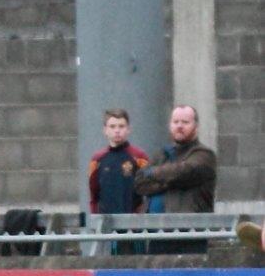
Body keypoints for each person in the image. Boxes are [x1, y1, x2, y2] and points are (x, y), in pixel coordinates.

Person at [133, 104, 218, 253]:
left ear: (196, 126)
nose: (179, 126)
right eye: (176, 122)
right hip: (157, 234)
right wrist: (172, 179)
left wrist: (154, 174)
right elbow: (140, 182)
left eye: (185, 122)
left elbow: (185, 172)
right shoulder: (161, 154)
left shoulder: (204, 154)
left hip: (189, 234)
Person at [88, 109, 150, 216]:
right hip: (106, 224)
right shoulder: (97, 160)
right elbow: (94, 194)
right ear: (105, 130)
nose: (117, 130)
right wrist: (95, 218)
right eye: (112, 126)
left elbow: (149, 189)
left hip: (134, 223)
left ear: (128, 129)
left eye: (121, 126)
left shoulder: (140, 157)